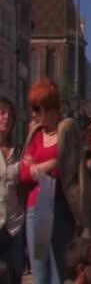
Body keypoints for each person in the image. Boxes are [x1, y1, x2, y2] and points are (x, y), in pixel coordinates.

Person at [20, 78, 91, 284]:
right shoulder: (35, 135)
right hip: (36, 209)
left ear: (50, 107)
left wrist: (39, 166)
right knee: (39, 273)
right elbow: (24, 174)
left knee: (58, 273)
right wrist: (49, 164)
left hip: (61, 208)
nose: (34, 114)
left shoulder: (67, 128)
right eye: (32, 109)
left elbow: (66, 167)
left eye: (38, 108)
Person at [0, 97, 25, 282]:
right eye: (2, 113)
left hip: (15, 225)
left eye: (9, 114)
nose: (6, 117)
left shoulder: (19, 151)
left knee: (15, 276)